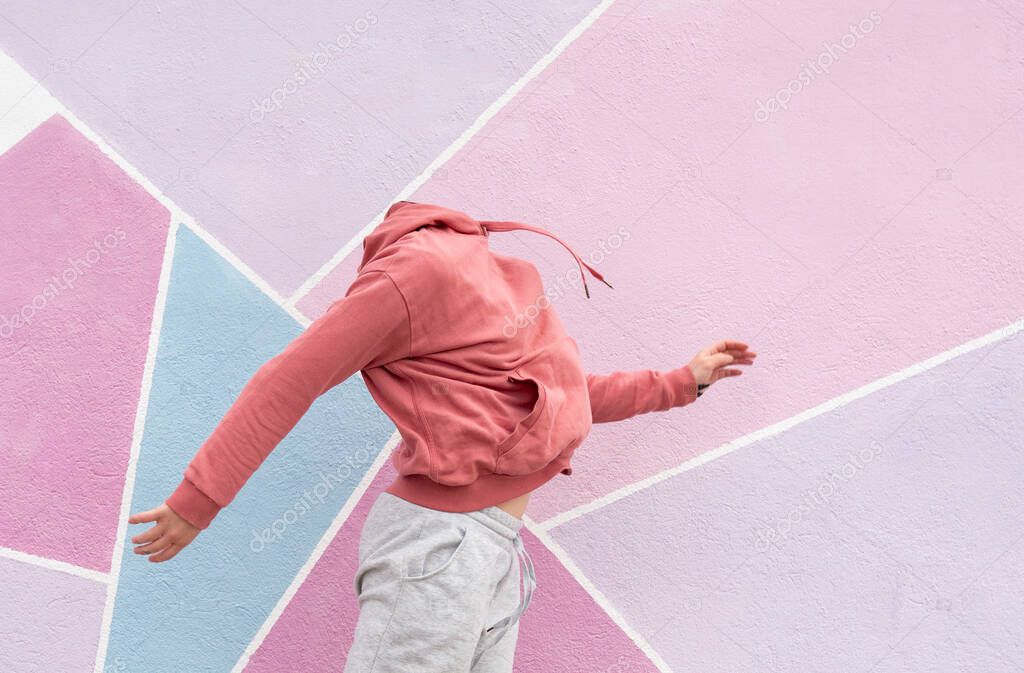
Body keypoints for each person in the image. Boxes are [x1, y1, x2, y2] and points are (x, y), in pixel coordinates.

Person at [128, 200, 756, 672]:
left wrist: (681, 382)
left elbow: (559, 397)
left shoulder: (491, 284)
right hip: (439, 549)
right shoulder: (411, 277)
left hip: (492, 550)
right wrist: (198, 501)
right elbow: (289, 380)